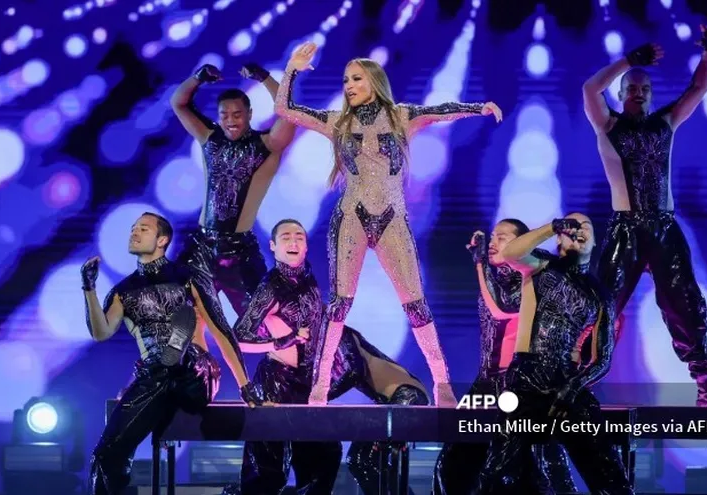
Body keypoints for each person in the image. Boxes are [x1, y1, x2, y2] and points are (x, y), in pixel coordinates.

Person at [274, 41, 503, 407]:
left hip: (392, 219)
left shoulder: (401, 116)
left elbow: (440, 110)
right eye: (346, 79)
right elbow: (284, 109)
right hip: (351, 218)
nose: (348, 85)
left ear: (375, 81)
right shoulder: (337, 122)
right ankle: (319, 385)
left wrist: (478, 107)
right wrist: (292, 69)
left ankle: (442, 382)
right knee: (339, 304)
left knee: (416, 304)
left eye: (356, 79)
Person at [223, 219, 429, 495]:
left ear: (307, 246)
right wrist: (285, 339)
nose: (294, 241)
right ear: (273, 246)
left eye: (299, 236)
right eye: (286, 237)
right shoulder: (270, 287)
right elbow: (240, 337)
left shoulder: (310, 282)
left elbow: (411, 391)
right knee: (266, 472)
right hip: (277, 382)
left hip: (310, 382)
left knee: (325, 458)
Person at [581, 25, 707, 406]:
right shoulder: (607, 124)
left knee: (684, 303)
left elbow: (697, 89)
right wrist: (628, 61)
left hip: (663, 227)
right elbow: (589, 89)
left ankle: (703, 382)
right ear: (622, 93)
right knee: (602, 305)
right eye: (631, 88)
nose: (639, 93)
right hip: (625, 229)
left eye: (644, 89)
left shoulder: (665, 123)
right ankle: (580, 382)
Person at [82, 212, 262, 495]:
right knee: (105, 455)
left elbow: (221, 330)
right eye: (133, 228)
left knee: (183, 360)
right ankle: (170, 356)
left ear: (162, 240)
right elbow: (100, 332)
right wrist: (89, 289)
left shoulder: (187, 277)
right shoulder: (123, 291)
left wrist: (245, 386)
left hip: (197, 375)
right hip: (155, 379)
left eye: (143, 228)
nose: (134, 232)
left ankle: (178, 351)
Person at [476, 213, 632, 494]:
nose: (579, 230)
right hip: (525, 381)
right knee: (497, 476)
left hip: (567, 384)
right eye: (572, 226)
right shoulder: (541, 265)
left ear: (595, 241)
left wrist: (572, 388)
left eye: (586, 226)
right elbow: (511, 253)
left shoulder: (599, 295)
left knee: (609, 475)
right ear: (561, 236)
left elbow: (603, 358)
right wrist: (552, 226)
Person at [433, 219, 577, 494]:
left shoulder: (531, 277)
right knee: (452, 466)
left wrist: (479, 264)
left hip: (520, 386)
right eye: (492, 237)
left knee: (540, 466)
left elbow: (502, 307)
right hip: (486, 384)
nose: (492, 242)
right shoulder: (495, 277)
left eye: (502, 237)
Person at [170, 61, 296, 316]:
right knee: (177, 313)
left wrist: (264, 78)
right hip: (201, 247)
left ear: (249, 114)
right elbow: (179, 103)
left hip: (239, 253)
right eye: (224, 115)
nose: (230, 121)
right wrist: (198, 77)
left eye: (237, 115)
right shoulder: (210, 138)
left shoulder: (267, 144)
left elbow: (290, 113)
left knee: (260, 320)